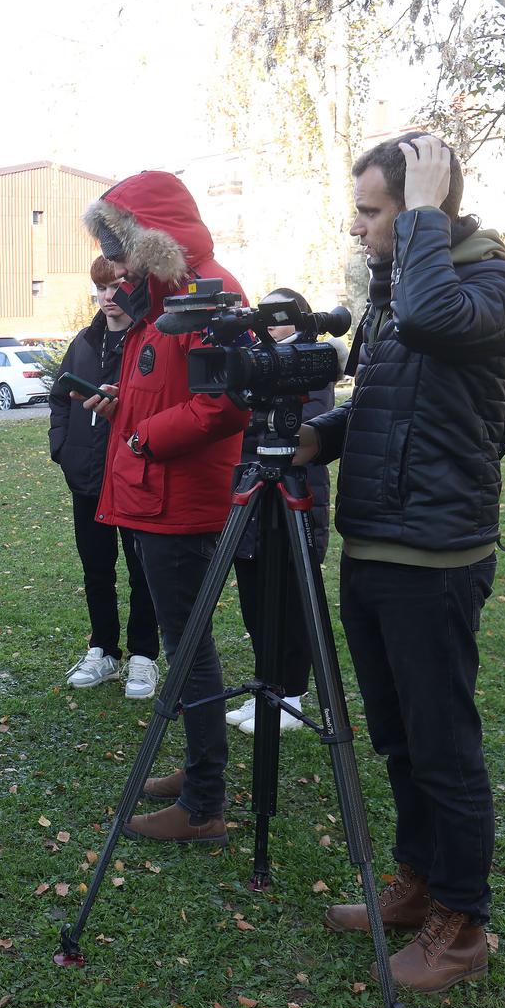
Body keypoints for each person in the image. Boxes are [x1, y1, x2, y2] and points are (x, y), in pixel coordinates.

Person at [295, 133, 505, 992]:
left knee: (442, 747)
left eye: (370, 210)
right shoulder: (402, 287)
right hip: (372, 544)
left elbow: (438, 326)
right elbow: (385, 405)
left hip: (435, 557)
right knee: (398, 739)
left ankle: (460, 925)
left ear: (421, 205)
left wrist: (424, 222)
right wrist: (315, 439)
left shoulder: (492, 286)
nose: (356, 227)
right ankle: (418, 880)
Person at [79, 171, 250, 843]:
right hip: (157, 491)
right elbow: (174, 387)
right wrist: (122, 405)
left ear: (150, 238)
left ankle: (204, 802)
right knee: (186, 646)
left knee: (187, 650)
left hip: (181, 496)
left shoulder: (210, 292)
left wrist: (145, 434)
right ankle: (196, 770)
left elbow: (226, 399)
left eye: (117, 245)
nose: (114, 264)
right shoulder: (164, 297)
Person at [223, 287, 336, 735]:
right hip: (254, 495)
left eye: (283, 316)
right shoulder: (256, 359)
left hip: (295, 493)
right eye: (267, 316)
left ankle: (292, 692)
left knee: (292, 597)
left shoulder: (312, 362)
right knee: (255, 600)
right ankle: (266, 687)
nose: (273, 324)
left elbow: (306, 429)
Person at [49, 255, 160, 700]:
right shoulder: (84, 342)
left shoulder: (150, 339)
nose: (109, 297)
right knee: (97, 568)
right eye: (101, 289)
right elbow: (60, 398)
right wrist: (63, 447)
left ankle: (143, 657)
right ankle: (104, 650)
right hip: (88, 478)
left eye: (117, 287)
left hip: (135, 475)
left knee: (142, 570)